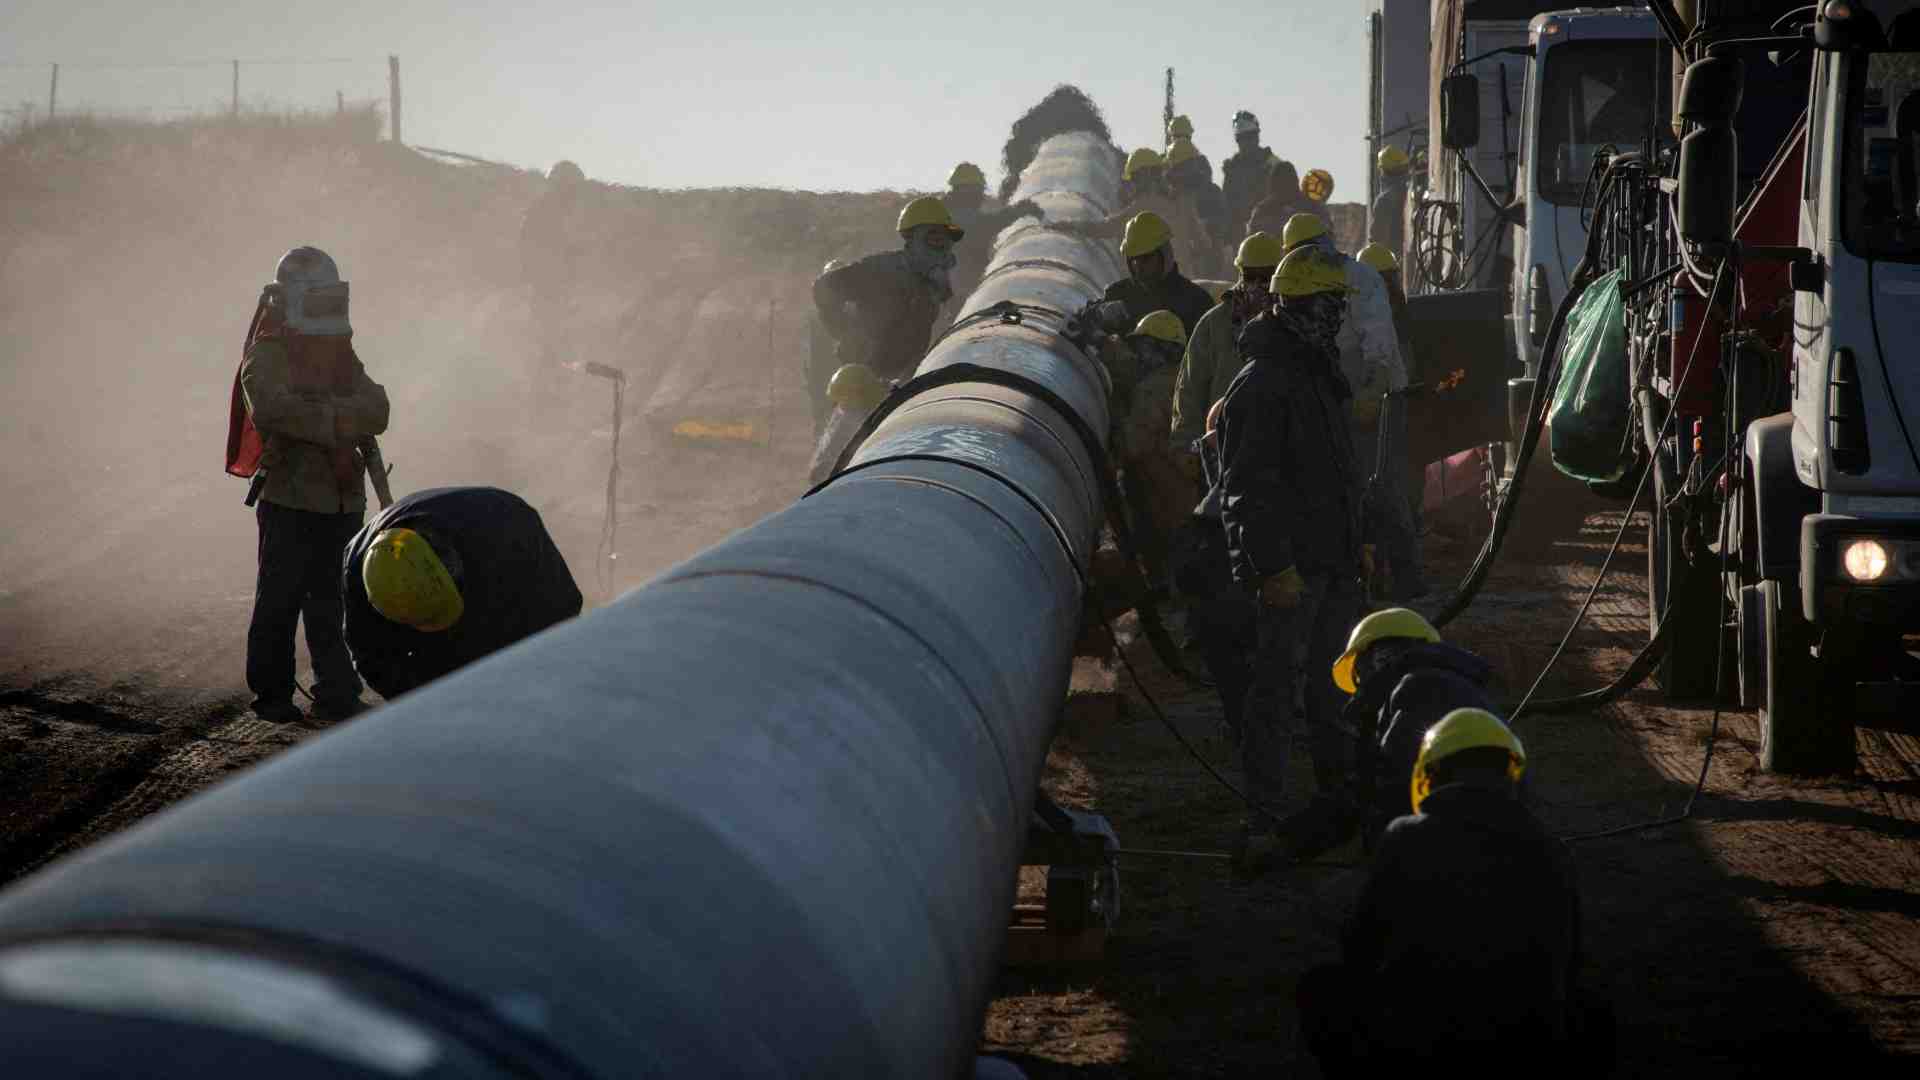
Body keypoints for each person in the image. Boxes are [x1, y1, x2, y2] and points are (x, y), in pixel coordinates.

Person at [1298, 709, 1606, 1076]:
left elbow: (1362, 947)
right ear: (1511, 775)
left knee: (1322, 988)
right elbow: (1571, 962)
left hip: (1419, 1047)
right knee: (1592, 1011)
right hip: (1525, 1048)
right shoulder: (1553, 850)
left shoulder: (1405, 837)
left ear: (1430, 775)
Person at [1216, 245, 1367, 847]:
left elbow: (1340, 473)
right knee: (1276, 693)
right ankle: (1267, 810)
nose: (1338, 316)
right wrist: (1272, 567)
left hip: (1332, 561)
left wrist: (1358, 543)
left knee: (1335, 690)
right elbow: (1247, 489)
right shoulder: (1263, 383)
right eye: (1330, 304)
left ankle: (1338, 801)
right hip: (1292, 570)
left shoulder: (1317, 371)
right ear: (1301, 304)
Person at [237, 246, 389, 724]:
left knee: (335, 601)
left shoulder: (341, 353)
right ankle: (272, 695)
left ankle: (337, 690)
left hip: (342, 500)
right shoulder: (268, 353)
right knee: (278, 601)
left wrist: (328, 422)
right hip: (291, 496)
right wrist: (340, 426)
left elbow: (378, 409)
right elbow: (272, 411)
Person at [340, 486, 583, 700]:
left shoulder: (506, 543)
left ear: (455, 574)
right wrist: (419, 706)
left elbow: (561, 611)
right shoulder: (357, 569)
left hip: (500, 525)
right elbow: (372, 659)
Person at [1331, 608, 1498, 840]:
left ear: (1378, 660)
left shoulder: (1419, 688)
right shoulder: (1459, 687)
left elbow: (1388, 784)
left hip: (1456, 845)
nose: (1360, 686)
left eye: (1359, 675)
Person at [812, 196, 964, 391]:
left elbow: (951, 312)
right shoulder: (881, 270)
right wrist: (844, 333)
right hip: (864, 381)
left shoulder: (935, 280)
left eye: (946, 241)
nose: (942, 248)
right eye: (934, 239)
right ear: (911, 239)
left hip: (903, 379)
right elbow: (824, 287)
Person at [1352, 241, 1424, 600]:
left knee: (1392, 495)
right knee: (1384, 496)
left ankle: (1402, 578)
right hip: (1375, 414)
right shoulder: (1374, 317)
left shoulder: (1396, 319)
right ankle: (1392, 577)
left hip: (1391, 412)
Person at [1170, 231, 1283, 459]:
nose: (1258, 285)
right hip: (1221, 447)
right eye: (1251, 276)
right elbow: (1190, 388)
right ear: (1240, 274)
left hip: (1279, 447)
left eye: (1265, 277)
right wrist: (1185, 447)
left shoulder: (1292, 322)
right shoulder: (1214, 324)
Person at [1113, 311, 1194, 594]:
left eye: (1145, 348)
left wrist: (1115, 417)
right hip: (1190, 492)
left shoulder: (1151, 390)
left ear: (1162, 349)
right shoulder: (1189, 379)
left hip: (1165, 496)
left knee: (1173, 568)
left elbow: (1132, 446)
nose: (1140, 355)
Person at [1073, 151, 1213, 290]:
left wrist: (1073, 225)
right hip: (1185, 284)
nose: (1132, 185)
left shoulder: (1144, 205)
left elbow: (1107, 228)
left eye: (1134, 178)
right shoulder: (1182, 203)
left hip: (1159, 288)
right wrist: (1185, 255)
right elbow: (1204, 244)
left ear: (1145, 175)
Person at [1081, 211, 1217, 344]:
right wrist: (1099, 316)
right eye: (1134, 260)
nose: (1138, 266)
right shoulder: (1119, 294)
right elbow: (1082, 322)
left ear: (1165, 255)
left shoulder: (1196, 303)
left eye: (1146, 258)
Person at [520, 161, 588, 395]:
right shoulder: (544, 213)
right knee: (551, 343)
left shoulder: (551, 213)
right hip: (547, 290)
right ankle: (544, 393)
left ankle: (548, 391)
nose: (574, 197)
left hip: (553, 290)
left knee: (554, 344)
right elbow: (535, 253)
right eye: (572, 190)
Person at [944, 161, 1043, 304]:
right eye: (978, 191)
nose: (981, 196)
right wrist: (1018, 211)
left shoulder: (947, 211)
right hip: (956, 291)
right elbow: (982, 226)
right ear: (967, 190)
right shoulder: (954, 217)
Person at [1165, 139, 1230, 273]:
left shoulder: (1210, 192)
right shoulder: (1169, 196)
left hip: (1207, 261)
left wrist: (1203, 226)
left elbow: (1221, 224)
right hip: (1181, 263)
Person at [1220, 111, 1279, 245]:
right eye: (1242, 139)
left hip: (1271, 231)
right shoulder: (1232, 169)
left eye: (1249, 137)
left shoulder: (1272, 164)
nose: (1246, 143)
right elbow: (1227, 206)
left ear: (1256, 137)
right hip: (1242, 235)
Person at [1369, 144, 1413, 254]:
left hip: (1393, 258)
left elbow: (1377, 238)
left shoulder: (1384, 200)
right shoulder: (1411, 192)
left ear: (1384, 171)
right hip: (1416, 254)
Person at [1246, 159, 1305, 238]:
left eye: (1288, 181)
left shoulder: (1308, 206)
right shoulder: (1262, 210)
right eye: (1282, 181)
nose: (1286, 186)